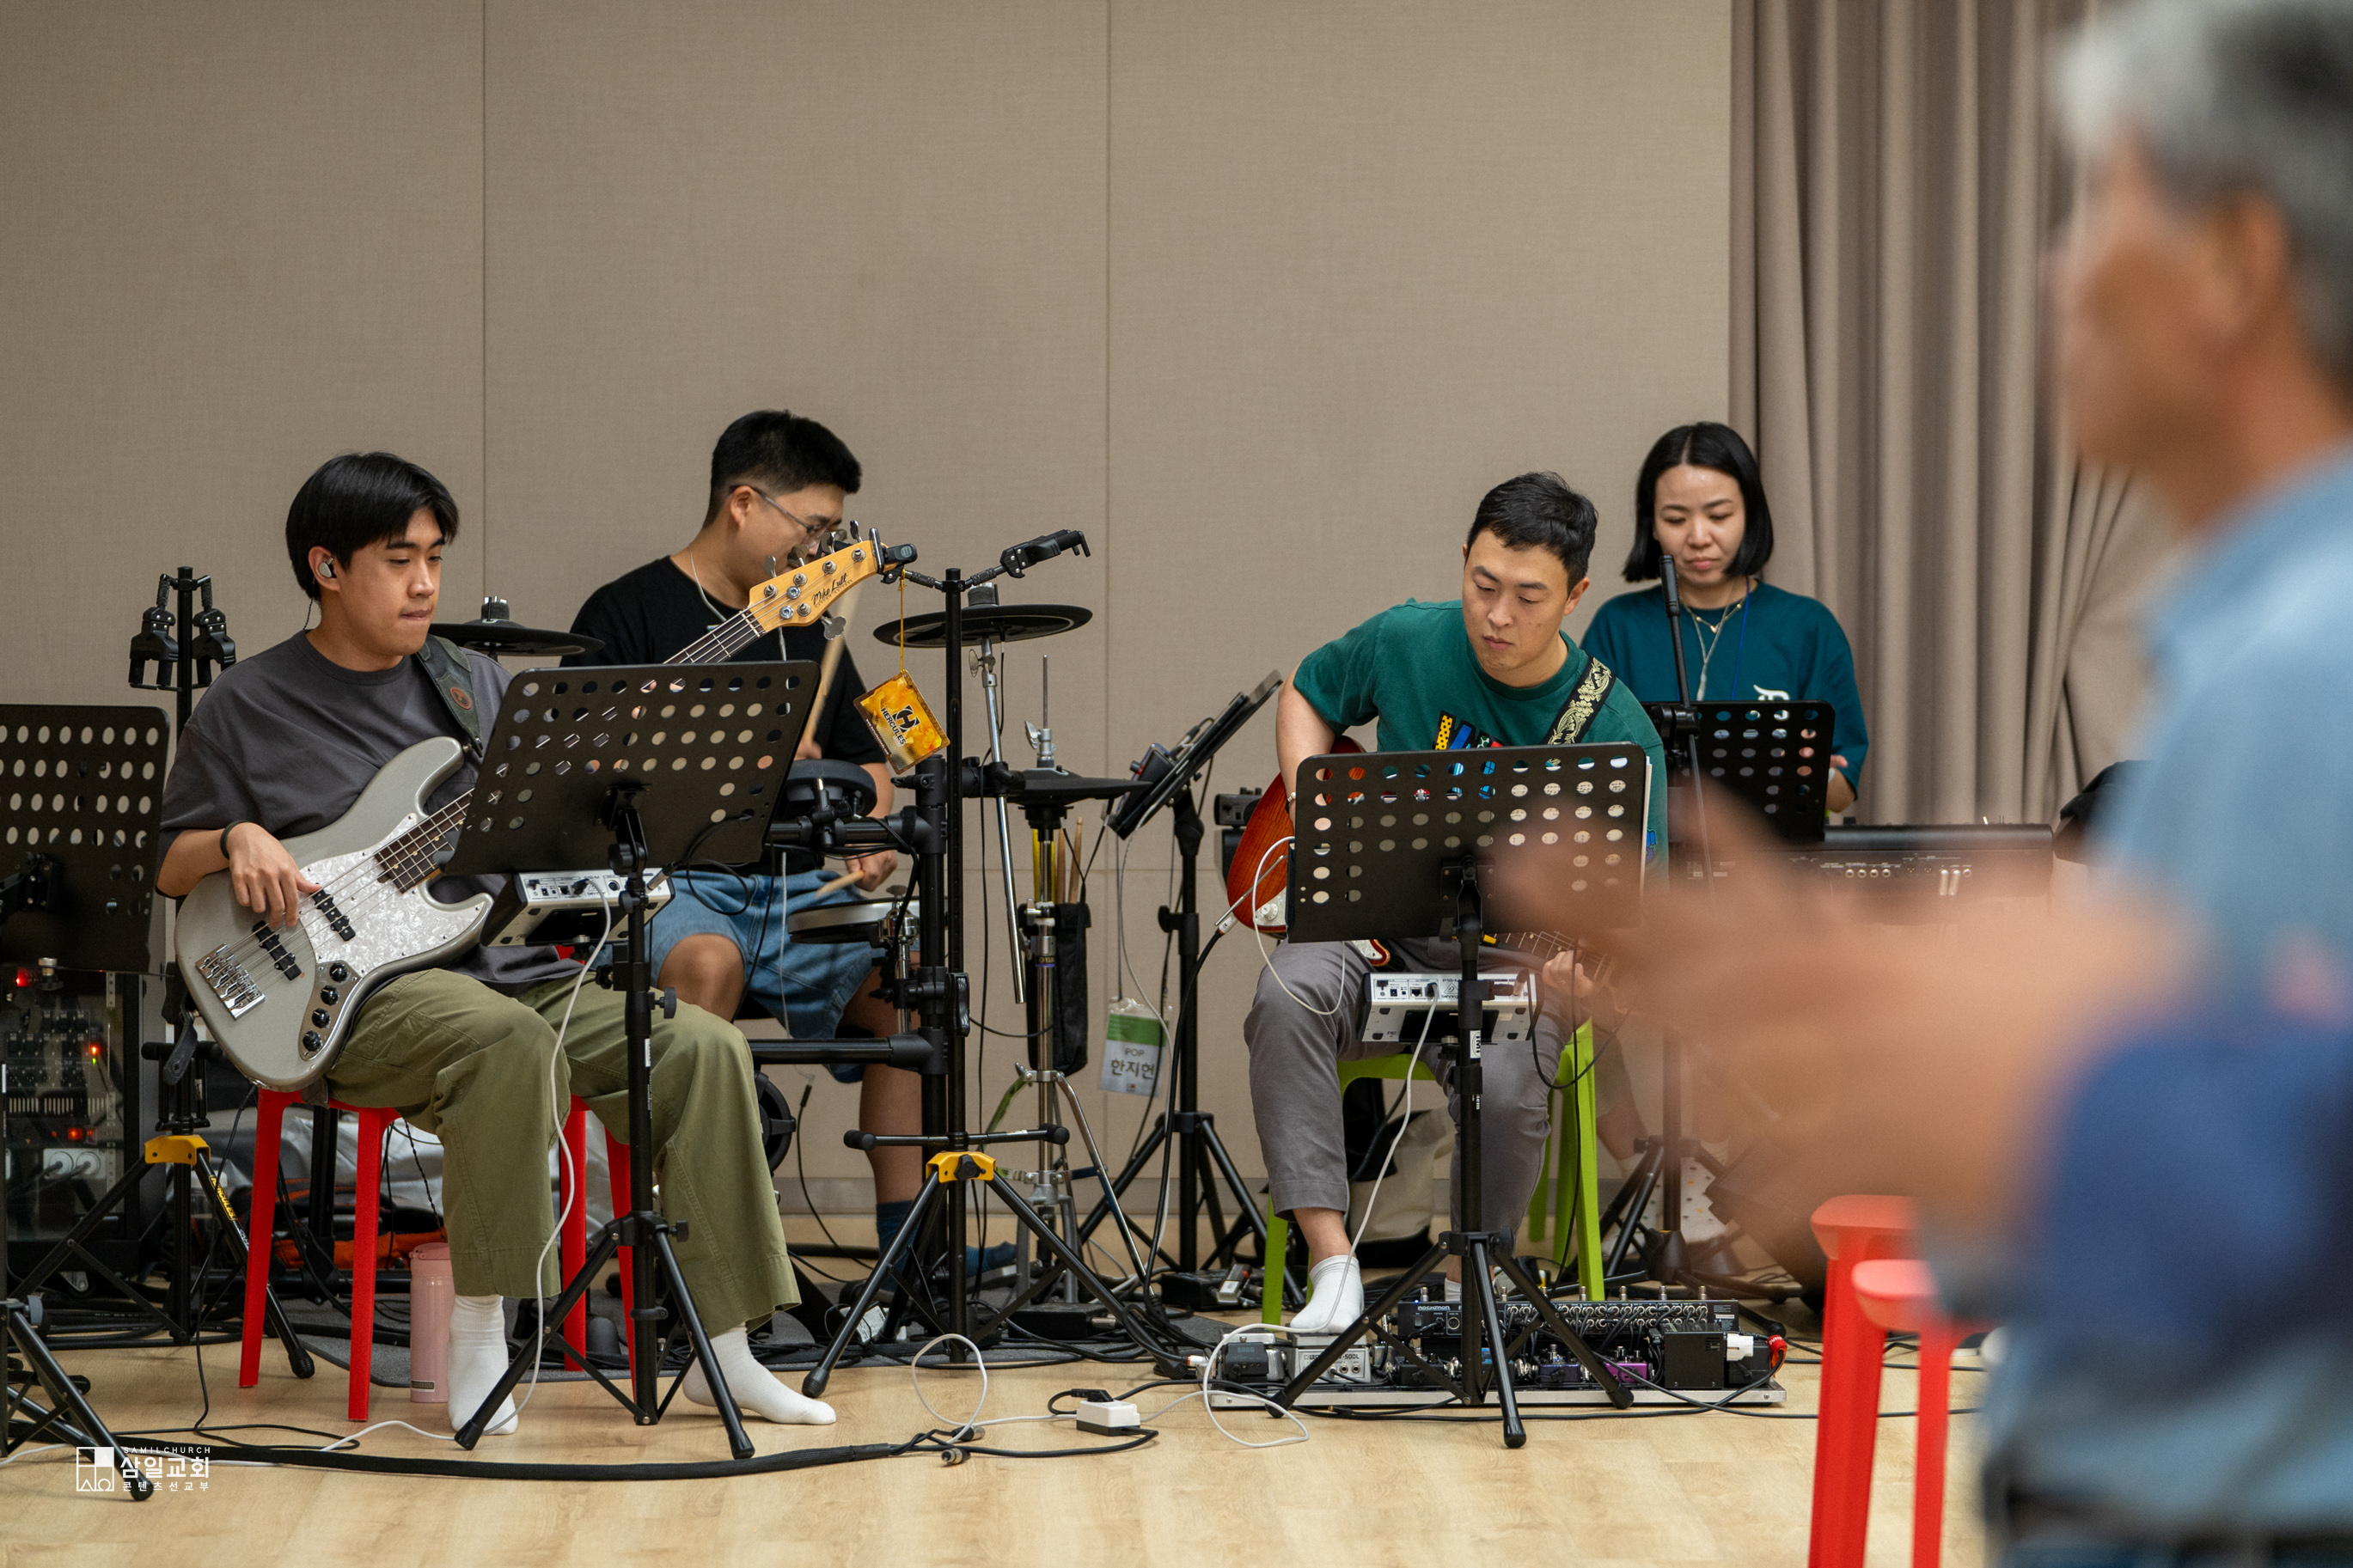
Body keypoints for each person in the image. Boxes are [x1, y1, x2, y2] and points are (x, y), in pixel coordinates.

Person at [1517, 2, 2353, 1559]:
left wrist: (2026, 1083)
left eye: (2101, 209)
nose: (2058, 271)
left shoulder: (2310, 680)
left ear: (2235, 264)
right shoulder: (2252, 654)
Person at [159, 452, 833, 1432]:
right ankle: (483, 1330)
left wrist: (587, 797)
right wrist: (234, 837)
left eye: (435, 557)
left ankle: (724, 1349)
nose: (425, 583)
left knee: (703, 1047)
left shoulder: (469, 682)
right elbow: (168, 863)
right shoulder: (247, 701)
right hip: (350, 997)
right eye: (399, 560)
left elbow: (528, 844)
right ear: (326, 568)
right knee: (504, 1043)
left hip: (500, 969)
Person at [1248, 471, 1667, 1333]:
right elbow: (1308, 691)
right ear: (1464, 561)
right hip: (1380, 937)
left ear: (1575, 596)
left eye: (1528, 597)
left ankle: (1464, 1283)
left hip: (1515, 965)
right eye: (1482, 585)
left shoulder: (1619, 731)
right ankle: (1332, 1269)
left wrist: (1595, 980)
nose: (1496, 616)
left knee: (1508, 1081)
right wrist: (1317, 819)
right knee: (1287, 994)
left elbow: (1635, 919)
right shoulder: (1407, 637)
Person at [565, 410, 940, 1266]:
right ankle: (678, 1253)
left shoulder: (802, 617)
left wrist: (865, 825)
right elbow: (579, 777)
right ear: (743, 503)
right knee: (706, 965)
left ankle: (906, 1260)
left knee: (910, 983)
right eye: (810, 526)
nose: (817, 548)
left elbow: (873, 760)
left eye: (830, 534)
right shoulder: (623, 612)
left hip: (793, 887)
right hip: (676, 884)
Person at [1581, 422, 1868, 815]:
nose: (1699, 537)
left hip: (1772, 850)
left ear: (1750, 513)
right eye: (1676, 519)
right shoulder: (1618, 625)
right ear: (1653, 525)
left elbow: (1842, 793)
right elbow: (1587, 770)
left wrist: (1813, 768)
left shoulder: (1809, 627)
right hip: (1650, 848)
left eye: (1718, 516)